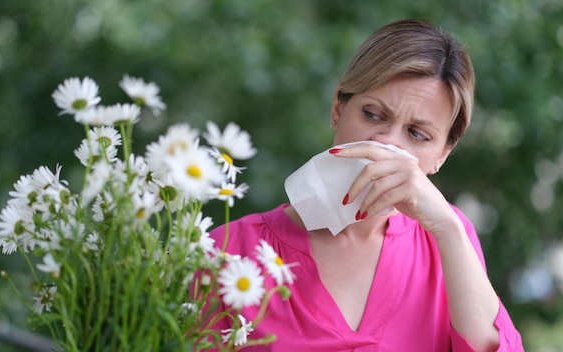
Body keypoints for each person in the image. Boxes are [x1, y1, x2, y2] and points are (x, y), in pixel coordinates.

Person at [204, 19, 524, 351]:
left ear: (442, 154)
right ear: (338, 108)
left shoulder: (450, 241)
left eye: (417, 134)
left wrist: (448, 228)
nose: (386, 141)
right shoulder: (227, 251)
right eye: (373, 114)